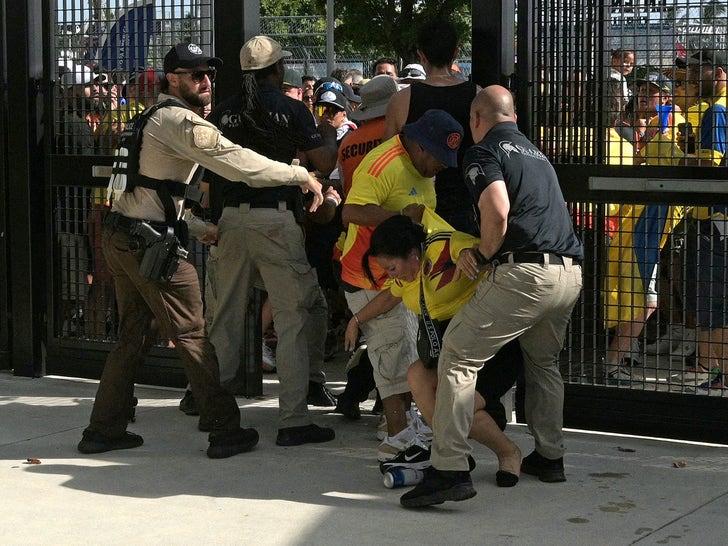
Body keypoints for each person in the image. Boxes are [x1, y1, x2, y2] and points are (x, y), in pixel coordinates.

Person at [76, 42, 324, 458]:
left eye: (208, 73)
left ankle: (103, 429)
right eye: (195, 75)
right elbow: (237, 161)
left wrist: (192, 224)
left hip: (124, 236)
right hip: (149, 243)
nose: (206, 81)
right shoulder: (179, 122)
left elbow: (140, 190)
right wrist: (299, 174)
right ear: (172, 79)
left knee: (131, 337)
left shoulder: (147, 118)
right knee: (193, 333)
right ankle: (224, 428)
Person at [400, 86, 583, 508]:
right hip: (568, 273)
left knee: (456, 356)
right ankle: (550, 457)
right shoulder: (535, 153)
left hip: (522, 273)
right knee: (544, 364)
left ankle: (448, 469)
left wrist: (480, 254)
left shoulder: (482, 152)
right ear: (513, 116)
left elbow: (497, 211)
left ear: (476, 120)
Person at [205, 35, 339, 446]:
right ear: (278, 69)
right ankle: (293, 419)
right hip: (276, 221)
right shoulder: (293, 109)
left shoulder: (223, 113)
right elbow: (325, 163)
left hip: (229, 221)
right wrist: (325, 134)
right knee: (293, 319)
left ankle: (214, 409)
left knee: (223, 319)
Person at [344, 213, 523, 485]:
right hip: (452, 356)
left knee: (457, 408)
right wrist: (356, 321)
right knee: (417, 374)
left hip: (490, 348)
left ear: (413, 255)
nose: (390, 276)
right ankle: (450, 453)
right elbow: (388, 298)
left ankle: (509, 453)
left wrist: (468, 254)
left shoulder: (440, 246)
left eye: (392, 268)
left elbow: (477, 249)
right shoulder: (405, 279)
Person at [340, 108, 464, 462]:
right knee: (393, 356)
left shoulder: (421, 167)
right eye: (439, 162)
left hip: (402, 283)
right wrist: (400, 217)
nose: (440, 169)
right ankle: (398, 438)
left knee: (406, 352)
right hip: (371, 279)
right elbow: (350, 212)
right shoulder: (383, 164)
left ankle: (403, 428)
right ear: (422, 148)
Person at [603, 73, 686, 384]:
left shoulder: (670, 128)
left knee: (646, 294)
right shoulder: (624, 128)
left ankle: (619, 354)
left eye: (652, 92)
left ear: (664, 98)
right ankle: (617, 356)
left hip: (651, 225)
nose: (644, 96)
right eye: (641, 90)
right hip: (626, 226)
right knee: (635, 294)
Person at [332, 74, 400, 420]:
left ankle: (354, 396)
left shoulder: (349, 144)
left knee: (376, 332)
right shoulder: (396, 143)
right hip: (391, 249)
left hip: (355, 248)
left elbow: (343, 192)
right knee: (392, 334)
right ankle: (388, 409)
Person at [384, 19, 480, 235]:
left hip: (415, 207)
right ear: (456, 53)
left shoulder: (402, 100)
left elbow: (387, 156)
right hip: (464, 203)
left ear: (421, 55)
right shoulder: (477, 96)